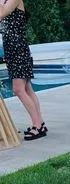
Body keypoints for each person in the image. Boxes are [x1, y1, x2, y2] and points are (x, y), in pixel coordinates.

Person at [0, 0, 47, 140]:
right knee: (27, 89)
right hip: (12, 50)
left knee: (18, 90)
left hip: (18, 50)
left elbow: (2, 13)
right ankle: (40, 124)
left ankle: (37, 126)